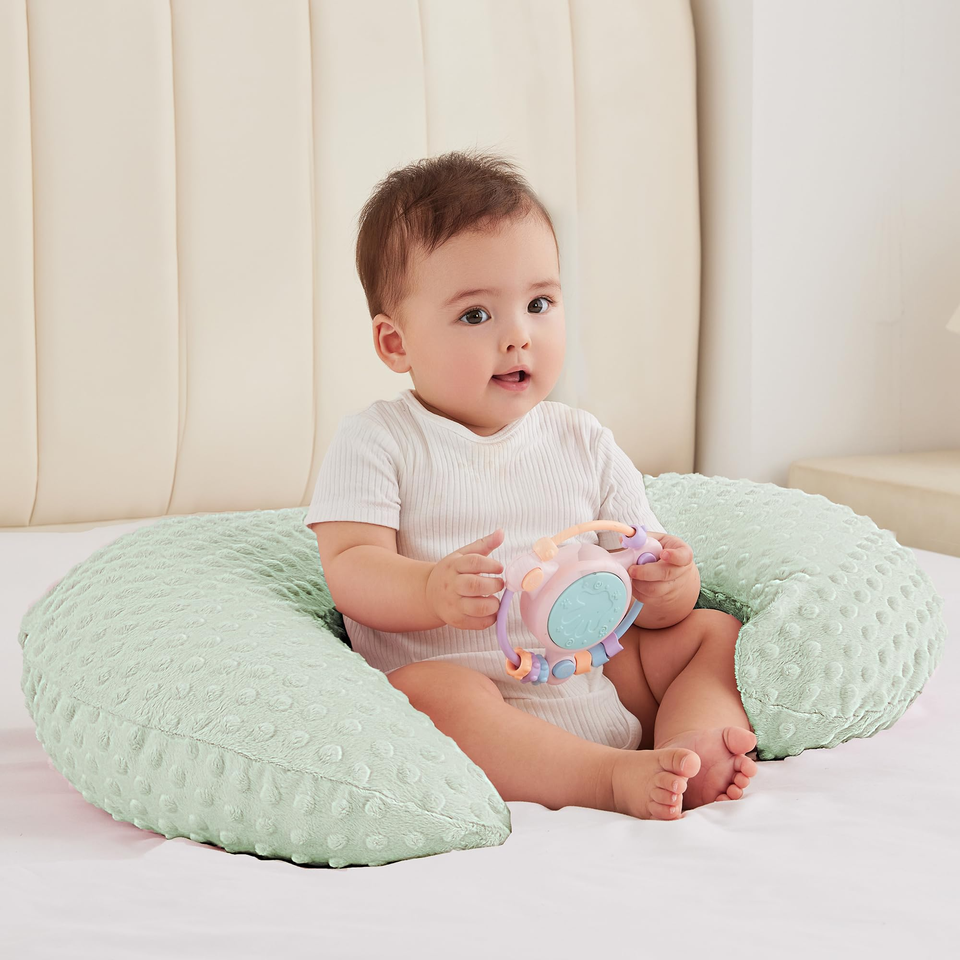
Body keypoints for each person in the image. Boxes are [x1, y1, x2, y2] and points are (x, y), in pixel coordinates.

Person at [306, 150, 758, 819]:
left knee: (710, 632)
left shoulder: (583, 440)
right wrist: (429, 591)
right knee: (423, 694)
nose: (519, 336)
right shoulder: (380, 440)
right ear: (396, 344)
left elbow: (646, 578)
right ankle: (608, 778)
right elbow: (349, 567)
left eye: (539, 304)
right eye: (476, 316)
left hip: (591, 674)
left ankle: (690, 744)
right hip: (481, 701)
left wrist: (669, 585)